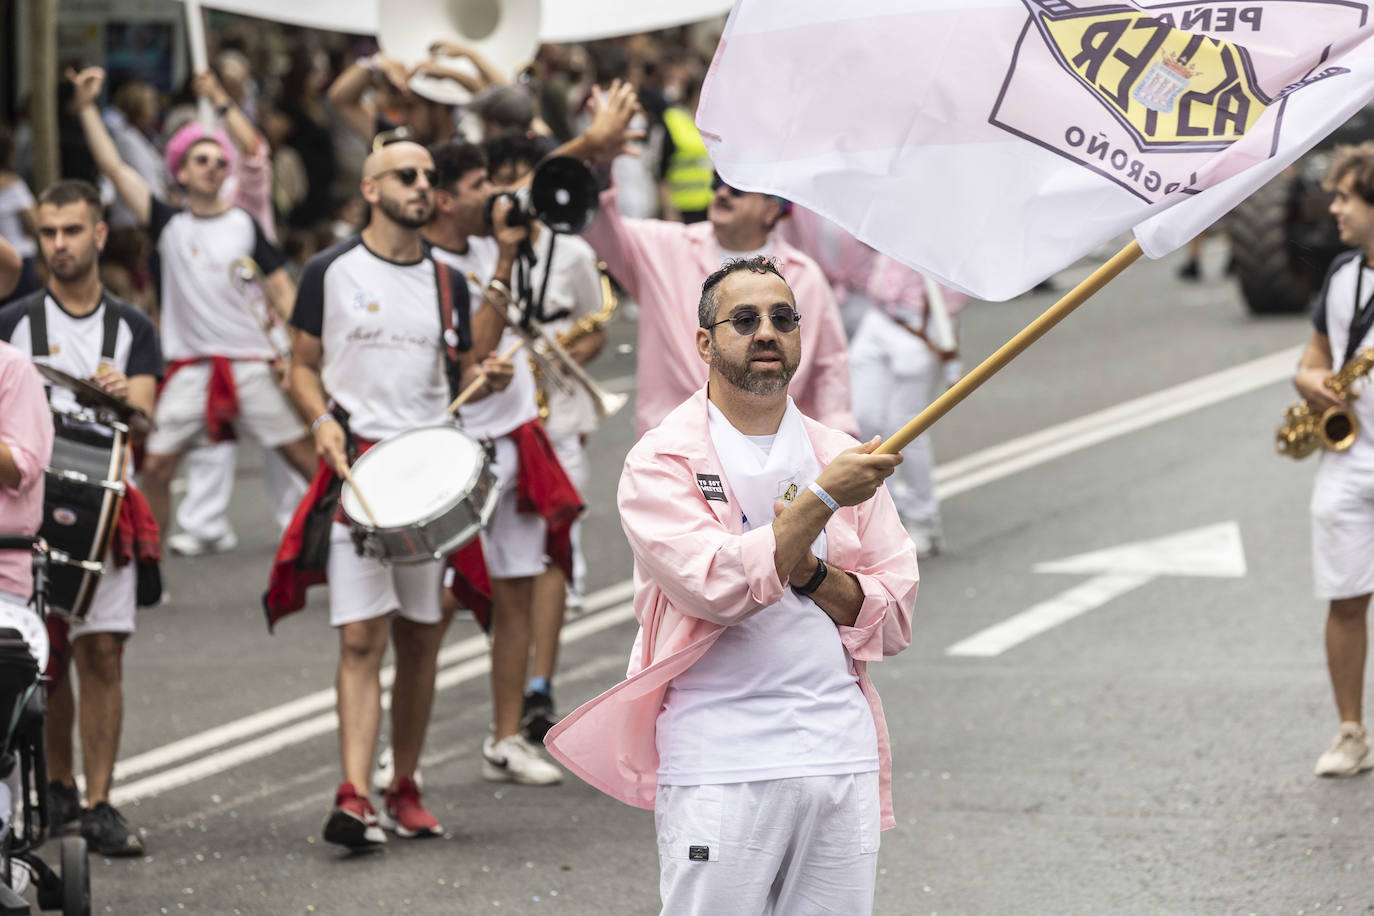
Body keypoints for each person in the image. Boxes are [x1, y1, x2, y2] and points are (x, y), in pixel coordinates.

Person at [546, 256, 917, 914]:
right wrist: (820, 505)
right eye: (744, 320)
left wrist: (811, 572)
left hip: (839, 758)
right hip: (722, 762)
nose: (766, 332)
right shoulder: (661, 461)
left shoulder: (839, 453)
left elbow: (892, 616)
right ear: (704, 342)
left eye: (782, 318)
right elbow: (713, 584)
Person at [265, 139, 510, 848]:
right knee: (361, 637)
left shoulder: (447, 281)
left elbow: (464, 366)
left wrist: (486, 376)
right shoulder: (328, 271)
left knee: (422, 638)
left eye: (430, 178)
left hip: (428, 477)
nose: (423, 187)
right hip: (361, 476)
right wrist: (318, 421)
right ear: (371, 188)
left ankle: (404, 785)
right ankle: (353, 793)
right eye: (408, 176)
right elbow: (300, 366)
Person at [69, 67, 316, 542]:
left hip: (252, 366)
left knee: (306, 459)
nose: (214, 167)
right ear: (180, 171)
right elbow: (116, 170)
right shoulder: (168, 225)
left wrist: (298, 353)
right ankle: (149, 568)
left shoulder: (245, 223)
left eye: (219, 161)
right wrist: (85, 109)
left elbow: (282, 290)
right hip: (191, 369)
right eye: (200, 160)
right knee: (156, 468)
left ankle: (338, 549)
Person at [0, 179, 163, 855]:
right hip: (26, 507)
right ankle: (58, 786)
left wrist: (127, 398)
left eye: (71, 231)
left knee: (102, 651)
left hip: (102, 507)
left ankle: (99, 800)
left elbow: (148, 415)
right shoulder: (16, 322)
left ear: (99, 235)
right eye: (47, 233)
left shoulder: (132, 326)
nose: (58, 245)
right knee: (44, 656)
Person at [423, 140, 581, 784]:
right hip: (457, 445)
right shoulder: (425, 264)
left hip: (516, 434)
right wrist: (508, 257)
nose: (494, 194)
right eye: (479, 184)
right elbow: (474, 352)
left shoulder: (496, 240)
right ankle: (398, 748)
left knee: (518, 585)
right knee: (429, 606)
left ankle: (506, 737)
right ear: (444, 198)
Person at [573, 83, 855, 438]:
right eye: (717, 182)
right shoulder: (662, 247)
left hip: (772, 448)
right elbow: (597, 223)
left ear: (772, 210)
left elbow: (831, 369)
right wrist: (597, 160)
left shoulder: (803, 278)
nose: (722, 193)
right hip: (676, 452)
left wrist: (839, 443)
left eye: (738, 188)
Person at [484, 133, 609, 740]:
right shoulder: (484, 252)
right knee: (502, 560)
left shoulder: (573, 253)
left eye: (520, 176)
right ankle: (507, 679)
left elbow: (596, 330)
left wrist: (563, 356)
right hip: (497, 420)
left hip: (555, 415)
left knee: (551, 547)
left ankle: (539, 685)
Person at [1299, 141, 1374, 777]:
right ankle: (1351, 731)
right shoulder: (1344, 274)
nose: (1334, 208)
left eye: (1345, 197)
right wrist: (1311, 383)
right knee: (1345, 596)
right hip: (1351, 456)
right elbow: (1314, 356)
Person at [850, 254, 968, 558]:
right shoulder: (896, 216)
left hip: (919, 327)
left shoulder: (949, 230)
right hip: (878, 317)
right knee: (863, 420)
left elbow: (957, 292)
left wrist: (949, 351)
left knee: (904, 430)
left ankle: (923, 521)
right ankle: (888, 513)